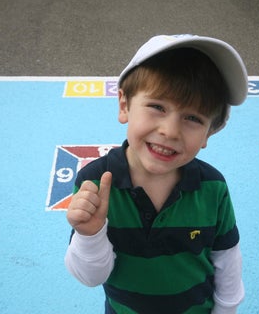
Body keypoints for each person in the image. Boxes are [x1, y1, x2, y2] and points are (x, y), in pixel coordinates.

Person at [65, 34, 247, 314]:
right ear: (124, 105)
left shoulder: (213, 187)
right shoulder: (95, 183)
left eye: (193, 118)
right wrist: (90, 234)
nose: (170, 131)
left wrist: (227, 310)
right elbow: (91, 277)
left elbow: (227, 259)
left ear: (209, 132)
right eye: (158, 107)